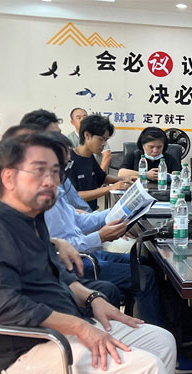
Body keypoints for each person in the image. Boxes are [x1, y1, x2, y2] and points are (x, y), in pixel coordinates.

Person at [0, 132, 177, 374]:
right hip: (24, 353)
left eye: (55, 172)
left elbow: (57, 272)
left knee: (161, 341)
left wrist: (93, 297)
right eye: (39, 171)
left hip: (63, 333)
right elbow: (3, 306)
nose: (51, 181)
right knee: (145, 368)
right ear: (8, 177)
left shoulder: (31, 218)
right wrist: (80, 327)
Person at [44, 132, 163, 327]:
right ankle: (148, 329)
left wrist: (117, 212)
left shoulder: (57, 189)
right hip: (76, 263)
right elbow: (62, 249)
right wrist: (100, 237)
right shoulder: (40, 200)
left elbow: (79, 222)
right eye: (62, 165)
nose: (65, 171)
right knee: (145, 276)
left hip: (86, 253)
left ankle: (157, 325)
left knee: (145, 262)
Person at [65, 115, 133, 210]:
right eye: (101, 139)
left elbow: (102, 177)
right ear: (87, 135)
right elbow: (76, 196)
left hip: (91, 211)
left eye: (106, 140)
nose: (104, 144)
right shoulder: (69, 161)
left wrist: (125, 179)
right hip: (76, 214)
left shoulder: (90, 156)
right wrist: (111, 188)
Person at [67, 107, 112, 172]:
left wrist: (100, 175)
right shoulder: (69, 140)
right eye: (79, 118)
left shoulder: (91, 157)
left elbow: (107, 155)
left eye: (85, 117)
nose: (82, 120)